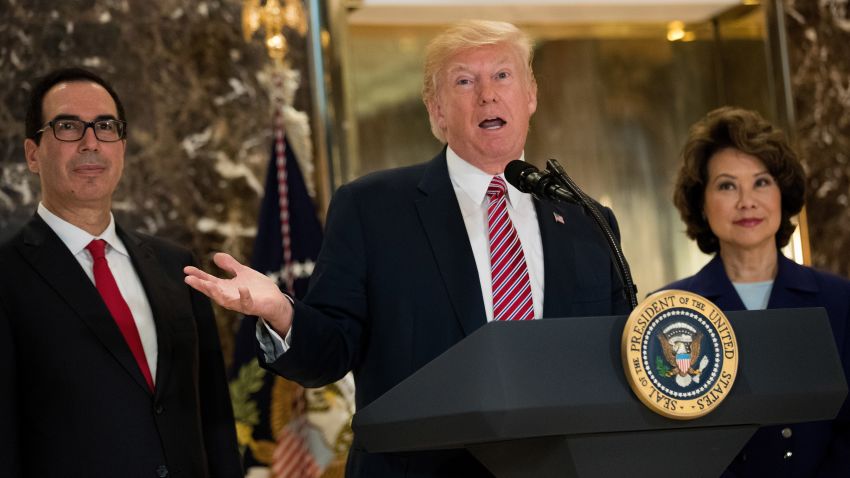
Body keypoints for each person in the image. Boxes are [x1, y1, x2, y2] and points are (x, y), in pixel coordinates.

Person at [185, 20, 629, 477]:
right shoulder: (372, 209)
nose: (488, 94)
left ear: (531, 94)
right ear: (436, 109)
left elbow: (612, 363)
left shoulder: (586, 220)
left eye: (502, 75)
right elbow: (331, 351)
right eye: (464, 81)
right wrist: (281, 312)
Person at [0, 68, 242, 478]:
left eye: (105, 126)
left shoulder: (176, 266)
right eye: (68, 126)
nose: (91, 142)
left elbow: (214, 417)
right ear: (32, 154)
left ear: (123, 148)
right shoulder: (6, 276)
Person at [661, 106, 850, 477]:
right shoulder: (670, 311)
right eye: (727, 185)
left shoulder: (840, 301)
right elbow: (672, 445)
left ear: (783, 193)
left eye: (761, 182)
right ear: (702, 202)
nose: (747, 201)